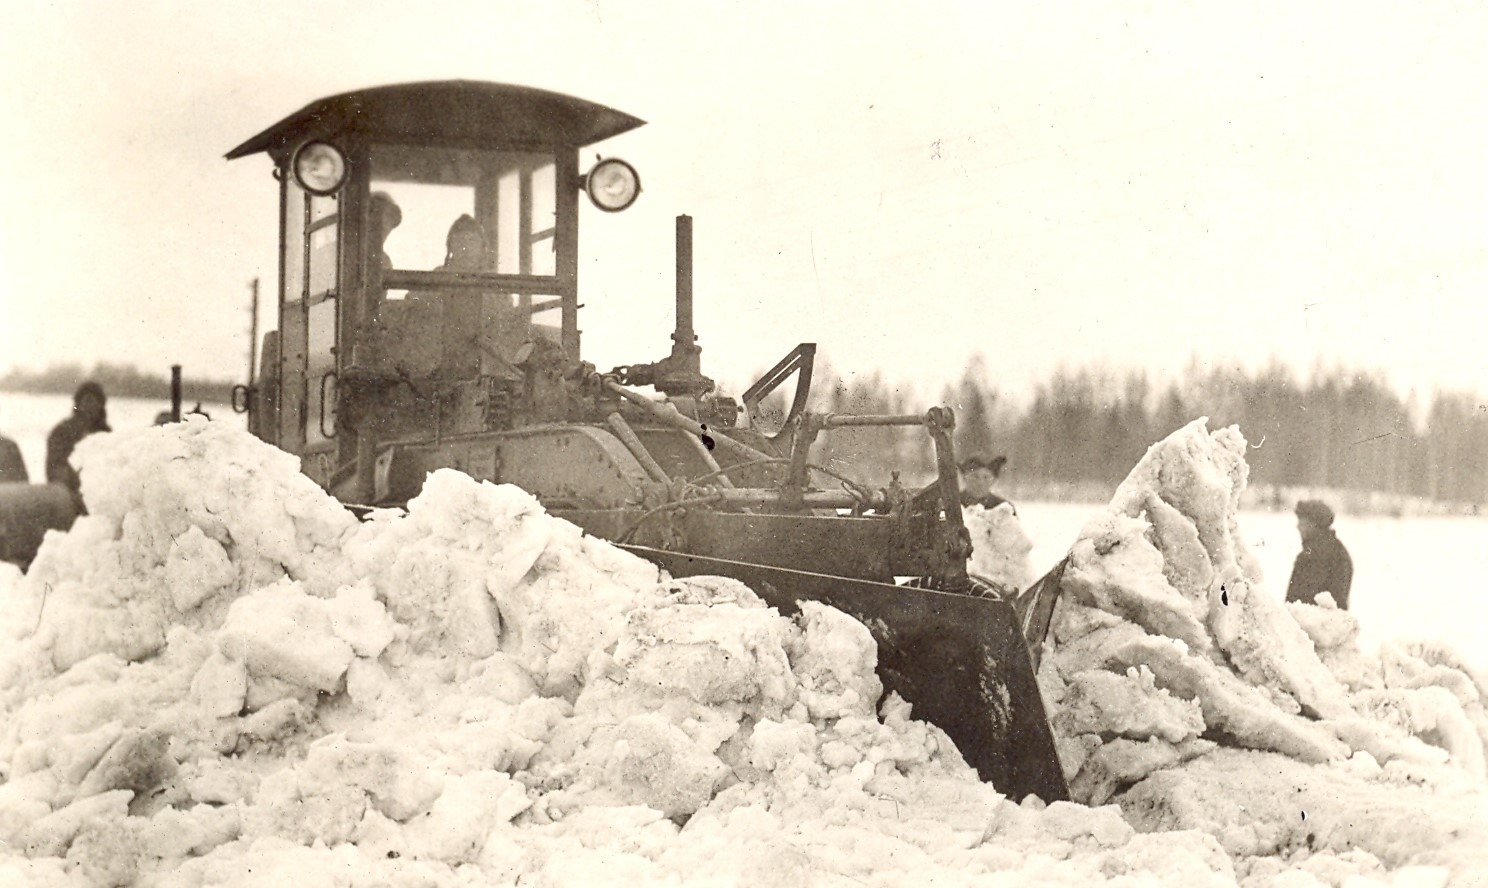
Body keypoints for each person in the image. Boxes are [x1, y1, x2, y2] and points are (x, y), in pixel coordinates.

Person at [46, 381, 111, 497]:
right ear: (78, 404)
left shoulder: (106, 433)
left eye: (96, 402)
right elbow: (54, 469)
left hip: (100, 492)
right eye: (87, 401)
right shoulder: (62, 431)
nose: (91, 407)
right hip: (68, 493)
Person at [1286, 499, 1353, 609]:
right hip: (1332, 624)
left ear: (1314, 525)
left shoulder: (1312, 556)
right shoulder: (1338, 550)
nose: (1298, 527)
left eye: (1302, 522)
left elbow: (1298, 603)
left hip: (1310, 624)